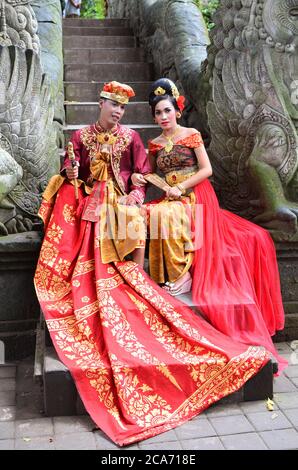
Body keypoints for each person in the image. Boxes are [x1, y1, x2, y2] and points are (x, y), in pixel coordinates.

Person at [34, 81, 270, 447]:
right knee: (136, 216)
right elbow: (75, 172)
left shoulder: (138, 139)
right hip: (97, 200)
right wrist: (72, 173)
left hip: (174, 197)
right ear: (101, 103)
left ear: (175, 110)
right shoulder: (83, 136)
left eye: (123, 108)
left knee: (151, 215)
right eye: (113, 105)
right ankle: (112, 268)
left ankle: (161, 272)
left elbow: (141, 175)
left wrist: (135, 192)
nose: (117, 112)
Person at [132, 77, 287, 373]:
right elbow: (155, 174)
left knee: (167, 215)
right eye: (157, 114)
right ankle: (148, 273)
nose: (163, 117)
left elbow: (207, 170)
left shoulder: (190, 135)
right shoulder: (154, 144)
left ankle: (182, 276)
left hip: (195, 195)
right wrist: (142, 178)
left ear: (176, 110)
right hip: (171, 196)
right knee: (145, 215)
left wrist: (183, 187)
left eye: (166, 111)